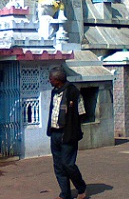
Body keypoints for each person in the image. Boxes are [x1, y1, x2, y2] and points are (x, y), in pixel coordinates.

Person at [47, 67, 88, 199]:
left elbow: (81, 113)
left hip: (68, 134)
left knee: (68, 164)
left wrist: (72, 128)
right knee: (58, 166)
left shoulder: (73, 92)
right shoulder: (54, 92)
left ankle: (81, 188)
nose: (49, 81)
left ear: (57, 80)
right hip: (55, 133)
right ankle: (65, 193)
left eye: (51, 79)